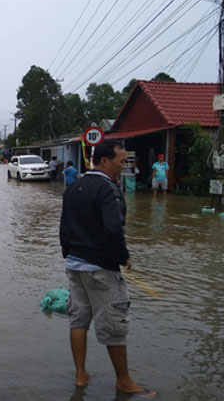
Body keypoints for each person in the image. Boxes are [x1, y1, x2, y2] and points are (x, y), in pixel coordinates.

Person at [60, 140, 155, 398]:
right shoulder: (108, 189)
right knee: (115, 324)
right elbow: (113, 230)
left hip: (75, 266)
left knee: (78, 320)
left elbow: (64, 228)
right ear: (104, 161)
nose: (125, 167)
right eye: (121, 162)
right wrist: (123, 257)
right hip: (101, 268)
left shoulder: (74, 187)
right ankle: (124, 381)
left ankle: (80, 375)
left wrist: (69, 254)